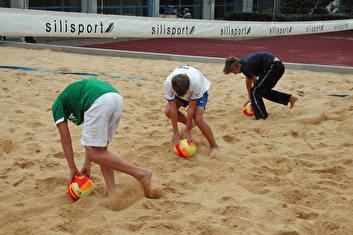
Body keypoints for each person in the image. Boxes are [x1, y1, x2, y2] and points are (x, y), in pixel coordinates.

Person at [52, 79, 152, 198]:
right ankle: (112, 193)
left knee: (93, 154)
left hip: (98, 101)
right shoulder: (73, 99)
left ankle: (141, 174)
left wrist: (72, 167)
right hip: (115, 98)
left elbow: (65, 138)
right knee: (101, 152)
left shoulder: (57, 105)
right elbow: (92, 141)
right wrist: (87, 164)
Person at [223, 52, 298, 120]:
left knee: (256, 91)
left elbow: (255, 83)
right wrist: (250, 98)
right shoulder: (243, 64)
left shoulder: (245, 66)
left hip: (274, 67)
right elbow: (248, 83)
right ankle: (290, 98)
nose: (235, 74)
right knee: (260, 91)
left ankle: (261, 117)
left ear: (239, 66)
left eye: (234, 72)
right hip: (276, 67)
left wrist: (253, 99)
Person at [164, 66, 218, 156]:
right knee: (168, 112)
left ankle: (214, 146)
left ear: (188, 87)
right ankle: (190, 124)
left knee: (198, 119)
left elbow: (191, 108)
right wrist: (175, 131)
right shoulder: (168, 84)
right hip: (182, 88)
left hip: (199, 92)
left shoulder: (196, 84)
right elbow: (172, 108)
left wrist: (187, 131)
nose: (184, 96)